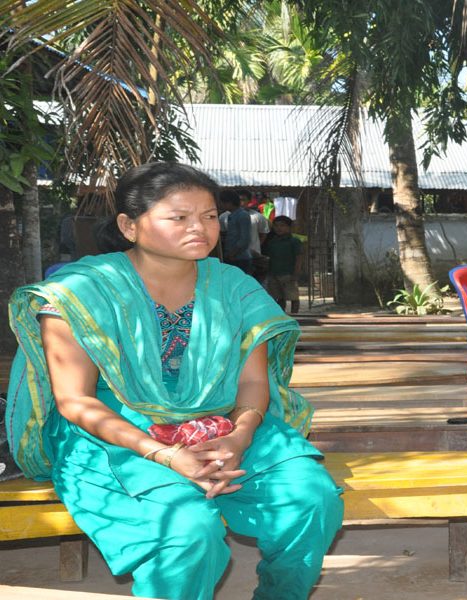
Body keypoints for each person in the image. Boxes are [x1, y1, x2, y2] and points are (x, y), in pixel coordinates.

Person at [4, 162, 344, 600]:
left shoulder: (233, 286)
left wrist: (238, 438)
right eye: (178, 217)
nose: (198, 228)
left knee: (310, 500)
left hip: (221, 425)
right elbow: (74, 401)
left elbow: (252, 384)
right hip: (115, 435)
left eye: (207, 216)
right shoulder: (81, 292)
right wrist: (166, 456)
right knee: (187, 533)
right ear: (129, 225)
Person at [263, 215, 303, 313]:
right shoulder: (272, 242)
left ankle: (295, 314)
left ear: (289, 227)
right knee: (278, 297)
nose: (279, 228)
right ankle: (281, 315)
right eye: (276, 226)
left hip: (288, 273)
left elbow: (299, 258)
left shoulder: (294, 241)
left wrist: (296, 273)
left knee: (293, 296)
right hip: (274, 273)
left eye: (282, 226)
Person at [217, 189, 253, 274]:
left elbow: (244, 239)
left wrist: (233, 253)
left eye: (222, 203)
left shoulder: (242, 215)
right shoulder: (231, 215)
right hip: (232, 257)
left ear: (229, 202)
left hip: (239, 258)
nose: (220, 205)